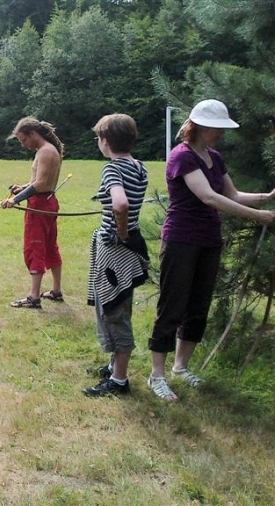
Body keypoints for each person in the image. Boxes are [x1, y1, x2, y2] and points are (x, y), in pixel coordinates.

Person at [146, 99, 275, 401]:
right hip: (181, 240)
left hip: (209, 241)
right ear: (201, 126)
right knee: (172, 306)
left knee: (198, 306)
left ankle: (180, 367)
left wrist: (267, 196)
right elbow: (209, 197)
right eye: (218, 128)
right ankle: (157, 375)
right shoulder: (182, 156)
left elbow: (232, 194)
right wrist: (258, 216)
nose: (222, 133)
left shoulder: (214, 157)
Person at [82, 114, 150, 397]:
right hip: (130, 249)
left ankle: (119, 381)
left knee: (113, 311)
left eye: (98, 138)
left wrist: (120, 232)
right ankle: (113, 367)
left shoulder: (112, 169)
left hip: (116, 251)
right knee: (120, 306)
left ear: (105, 141)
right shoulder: (139, 167)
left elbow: (120, 204)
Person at [1, 117, 65, 309]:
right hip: (47, 202)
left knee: (35, 246)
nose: (23, 144)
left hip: (40, 205)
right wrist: (22, 188)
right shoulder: (47, 150)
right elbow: (39, 181)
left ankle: (33, 297)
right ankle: (56, 290)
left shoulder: (45, 151)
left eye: (24, 140)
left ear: (33, 134)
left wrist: (15, 200)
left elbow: (41, 184)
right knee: (50, 245)